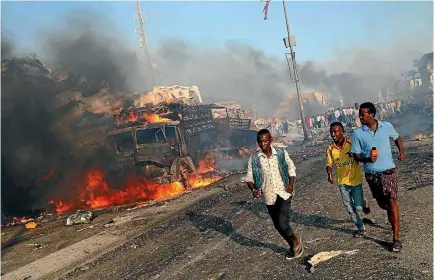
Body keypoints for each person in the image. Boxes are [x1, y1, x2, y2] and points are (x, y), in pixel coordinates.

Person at [351, 102, 405, 252]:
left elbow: (397, 138)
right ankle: (389, 211)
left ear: (372, 115)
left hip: (388, 171)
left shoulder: (386, 126)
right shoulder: (357, 134)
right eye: (360, 114)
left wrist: (401, 152)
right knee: (383, 204)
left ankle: (396, 239)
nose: (360, 117)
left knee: (393, 201)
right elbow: (356, 155)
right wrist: (367, 159)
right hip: (371, 174)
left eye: (363, 114)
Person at [245, 129, 304, 259]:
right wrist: (254, 189)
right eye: (260, 142)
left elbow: (291, 167)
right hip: (268, 195)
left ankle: (295, 239)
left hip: (284, 192)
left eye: (265, 141)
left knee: (282, 222)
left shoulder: (281, 153)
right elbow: (249, 178)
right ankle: (293, 245)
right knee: (278, 226)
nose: (263, 144)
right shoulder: (254, 158)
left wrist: (291, 184)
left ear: (270, 140)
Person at [326, 122, 371, 237]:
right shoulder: (331, 149)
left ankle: (363, 202)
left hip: (355, 181)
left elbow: (361, 154)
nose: (333, 134)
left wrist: (356, 155)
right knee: (349, 207)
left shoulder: (351, 143)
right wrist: (330, 174)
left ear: (342, 132)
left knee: (358, 207)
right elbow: (329, 164)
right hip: (342, 183)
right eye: (331, 132)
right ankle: (360, 228)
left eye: (335, 131)